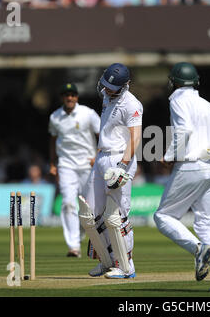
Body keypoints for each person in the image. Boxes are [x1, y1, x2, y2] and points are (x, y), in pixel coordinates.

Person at [153, 62, 210, 292]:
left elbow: (184, 131)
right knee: (207, 223)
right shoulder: (207, 104)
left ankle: (198, 249)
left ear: (175, 82)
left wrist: (169, 155)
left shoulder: (178, 100)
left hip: (191, 166)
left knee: (163, 216)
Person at [78, 63, 142, 279]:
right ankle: (106, 262)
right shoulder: (107, 96)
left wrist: (123, 166)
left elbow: (135, 137)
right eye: (105, 85)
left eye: (111, 87)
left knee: (116, 217)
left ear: (124, 86)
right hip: (102, 156)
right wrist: (97, 156)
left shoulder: (132, 104)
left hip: (119, 158)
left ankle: (126, 267)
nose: (106, 89)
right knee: (89, 214)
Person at [49, 82, 100, 258]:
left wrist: (98, 156)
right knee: (68, 203)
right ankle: (74, 246)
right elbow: (53, 140)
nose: (69, 98)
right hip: (66, 165)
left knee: (88, 206)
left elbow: (102, 135)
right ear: (62, 97)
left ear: (76, 97)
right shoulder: (55, 117)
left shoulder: (88, 113)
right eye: (66, 95)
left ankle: (82, 234)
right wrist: (53, 164)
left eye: (72, 95)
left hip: (88, 164)